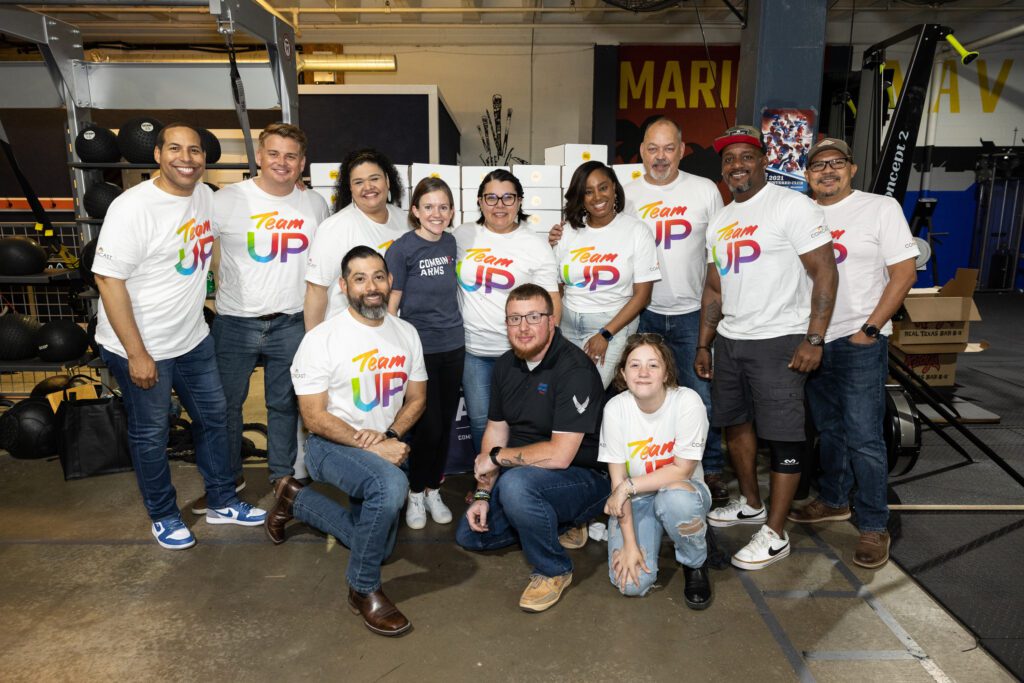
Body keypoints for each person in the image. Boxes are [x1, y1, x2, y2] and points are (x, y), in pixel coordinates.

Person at [93, 123, 266, 550]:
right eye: (175, 149)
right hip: (142, 345)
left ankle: (224, 500)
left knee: (215, 419)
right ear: (157, 154)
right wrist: (137, 354)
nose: (186, 158)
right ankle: (164, 514)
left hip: (192, 339)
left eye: (194, 151)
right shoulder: (132, 207)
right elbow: (107, 280)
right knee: (151, 434)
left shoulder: (205, 196)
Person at [550, 119, 729, 504]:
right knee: (633, 397)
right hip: (637, 317)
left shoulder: (705, 191)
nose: (660, 156)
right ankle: (636, 471)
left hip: (688, 311)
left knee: (697, 394)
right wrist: (559, 233)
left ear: (682, 149)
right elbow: (592, 230)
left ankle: (708, 470)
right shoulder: (626, 195)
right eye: (652, 148)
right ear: (641, 152)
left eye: (668, 148)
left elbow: (717, 258)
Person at [695, 124, 837, 571]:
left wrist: (814, 338)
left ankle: (775, 533)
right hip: (733, 340)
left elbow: (825, 272)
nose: (736, 165)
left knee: (784, 435)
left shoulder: (790, 205)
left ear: (763, 160)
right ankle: (751, 503)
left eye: (745, 156)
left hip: (780, 339)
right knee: (734, 425)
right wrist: (705, 343)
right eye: (728, 158)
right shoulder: (719, 220)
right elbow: (715, 289)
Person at [266, 246, 427, 637]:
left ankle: (295, 499)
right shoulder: (322, 339)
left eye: (378, 276)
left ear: (390, 281)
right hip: (331, 447)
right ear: (343, 286)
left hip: (383, 446)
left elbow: (418, 397)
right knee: (390, 486)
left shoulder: (406, 333)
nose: (371, 287)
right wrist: (373, 446)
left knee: (380, 546)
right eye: (360, 278)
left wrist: (389, 436)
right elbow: (314, 418)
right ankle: (363, 588)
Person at [788, 138, 919, 569]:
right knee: (828, 429)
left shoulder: (880, 208)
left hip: (859, 339)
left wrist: (870, 329)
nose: (827, 171)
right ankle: (832, 499)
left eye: (836, 163)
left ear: (852, 168)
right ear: (806, 175)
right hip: (814, 340)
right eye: (817, 166)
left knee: (864, 436)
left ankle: (872, 524)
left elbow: (904, 272)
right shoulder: (799, 213)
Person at [455, 284, 608, 613]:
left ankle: (554, 569)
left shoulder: (574, 370)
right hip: (526, 474)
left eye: (534, 317)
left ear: (552, 322)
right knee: (471, 536)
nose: (523, 327)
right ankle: (560, 522)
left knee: (515, 486)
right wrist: (482, 493)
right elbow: (496, 429)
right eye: (514, 319)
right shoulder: (504, 365)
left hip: (583, 475)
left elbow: (560, 454)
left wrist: (497, 459)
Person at [208, 122, 329, 503]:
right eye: (273, 154)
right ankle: (229, 478)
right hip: (234, 322)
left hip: (290, 322)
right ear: (259, 157)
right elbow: (205, 251)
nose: (282, 162)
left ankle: (281, 478)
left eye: (291, 156)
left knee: (284, 405)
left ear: (302, 162)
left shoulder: (314, 203)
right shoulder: (226, 200)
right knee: (226, 406)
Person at [600, 333, 713, 609]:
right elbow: (618, 483)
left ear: (666, 373)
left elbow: (682, 470)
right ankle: (668, 532)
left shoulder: (687, 402)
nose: (643, 373)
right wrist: (629, 544)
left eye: (653, 365)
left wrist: (627, 487)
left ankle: (694, 560)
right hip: (637, 499)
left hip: (684, 492)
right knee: (631, 584)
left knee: (674, 499)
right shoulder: (615, 409)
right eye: (634, 365)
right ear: (623, 374)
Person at [454, 170, 561, 451]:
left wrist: (545, 350)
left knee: (523, 420)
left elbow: (551, 302)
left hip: (520, 353)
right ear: (479, 201)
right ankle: (485, 483)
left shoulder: (534, 244)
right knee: (479, 421)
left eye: (507, 197)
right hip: (474, 351)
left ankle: (514, 481)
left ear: (519, 201)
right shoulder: (462, 235)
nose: (499, 205)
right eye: (491, 197)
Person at [385, 177, 463, 529]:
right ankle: (415, 493)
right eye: (428, 206)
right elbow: (392, 304)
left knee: (445, 424)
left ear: (451, 211)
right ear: (415, 211)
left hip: (454, 345)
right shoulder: (401, 249)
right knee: (427, 427)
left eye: (443, 207)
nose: (437, 213)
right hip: (419, 351)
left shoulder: (451, 243)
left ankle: (434, 488)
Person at [554, 161, 659, 388]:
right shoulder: (567, 232)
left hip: (611, 326)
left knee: (586, 394)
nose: (597, 197)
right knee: (565, 392)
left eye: (603, 187)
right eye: (588, 192)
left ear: (614, 188)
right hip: (567, 326)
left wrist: (605, 334)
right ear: (580, 197)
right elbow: (557, 285)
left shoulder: (636, 231)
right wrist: (554, 329)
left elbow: (643, 296)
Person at [304, 148, 406, 329]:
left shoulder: (405, 221)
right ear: (350, 188)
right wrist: (313, 341)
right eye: (358, 182)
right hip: (347, 335)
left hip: (392, 331)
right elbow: (316, 290)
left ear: (388, 180)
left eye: (374, 178)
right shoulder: (334, 228)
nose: (368, 187)